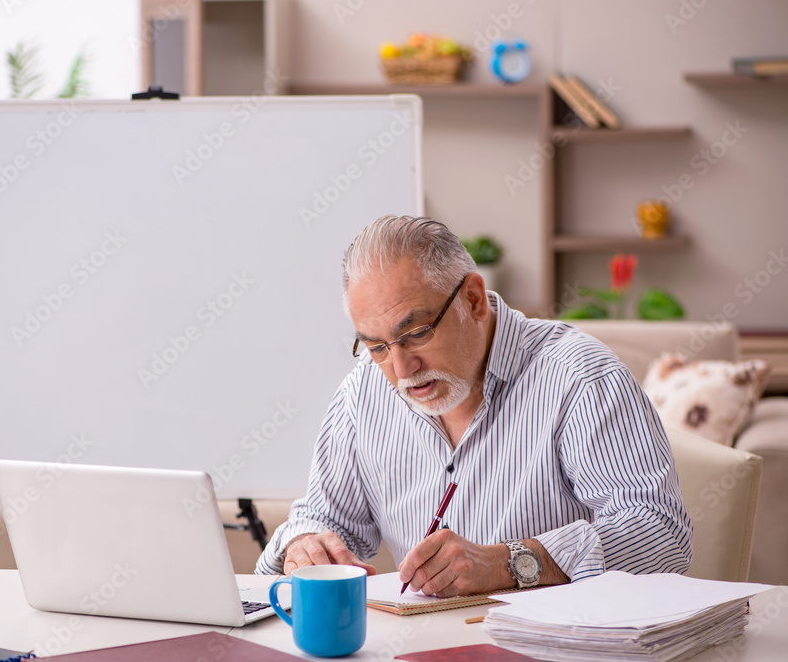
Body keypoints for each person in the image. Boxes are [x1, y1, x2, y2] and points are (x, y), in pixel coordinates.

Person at [256, 215, 692, 597]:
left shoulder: (580, 378)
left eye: (417, 333)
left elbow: (662, 537)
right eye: (376, 346)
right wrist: (304, 544)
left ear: (473, 300)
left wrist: (508, 564)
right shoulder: (363, 392)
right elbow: (325, 519)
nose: (402, 368)